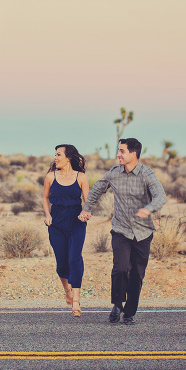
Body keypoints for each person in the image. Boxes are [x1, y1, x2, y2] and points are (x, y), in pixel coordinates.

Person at [79, 138, 167, 325]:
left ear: (133, 154)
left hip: (143, 232)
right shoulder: (113, 174)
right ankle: (117, 305)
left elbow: (161, 196)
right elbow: (97, 189)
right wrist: (87, 208)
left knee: (137, 274)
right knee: (120, 268)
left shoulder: (147, 174)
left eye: (122, 151)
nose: (118, 154)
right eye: (118, 150)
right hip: (121, 230)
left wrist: (148, 209)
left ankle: (130, 313)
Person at [42, 144, 90, 317]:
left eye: (58, 154)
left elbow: (88, 201)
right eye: (55, 155)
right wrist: (47, 215)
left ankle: (76, 301)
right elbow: (45, 198)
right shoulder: (50, 176)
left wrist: (86, 213)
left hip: (76, 222)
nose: (55, 158)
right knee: (62, 262)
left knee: (74, 258)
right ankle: (67, 291)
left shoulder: (81, 177)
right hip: (56, 223)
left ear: (68, 158)